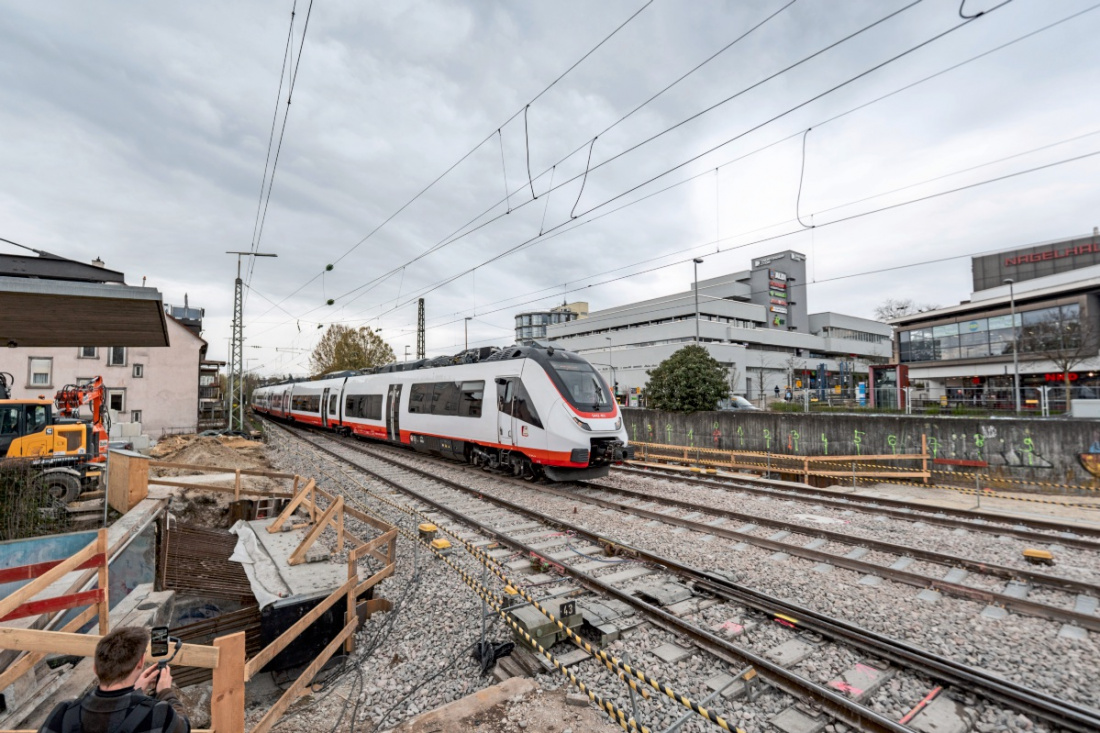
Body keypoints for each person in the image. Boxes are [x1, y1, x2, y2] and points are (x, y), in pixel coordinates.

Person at [39, 626, 190, 733]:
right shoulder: (158, 713)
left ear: (95, 668)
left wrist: (134, 692)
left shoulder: (64, 713)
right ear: (140, 663)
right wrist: (165, 692)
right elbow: (184, 727)